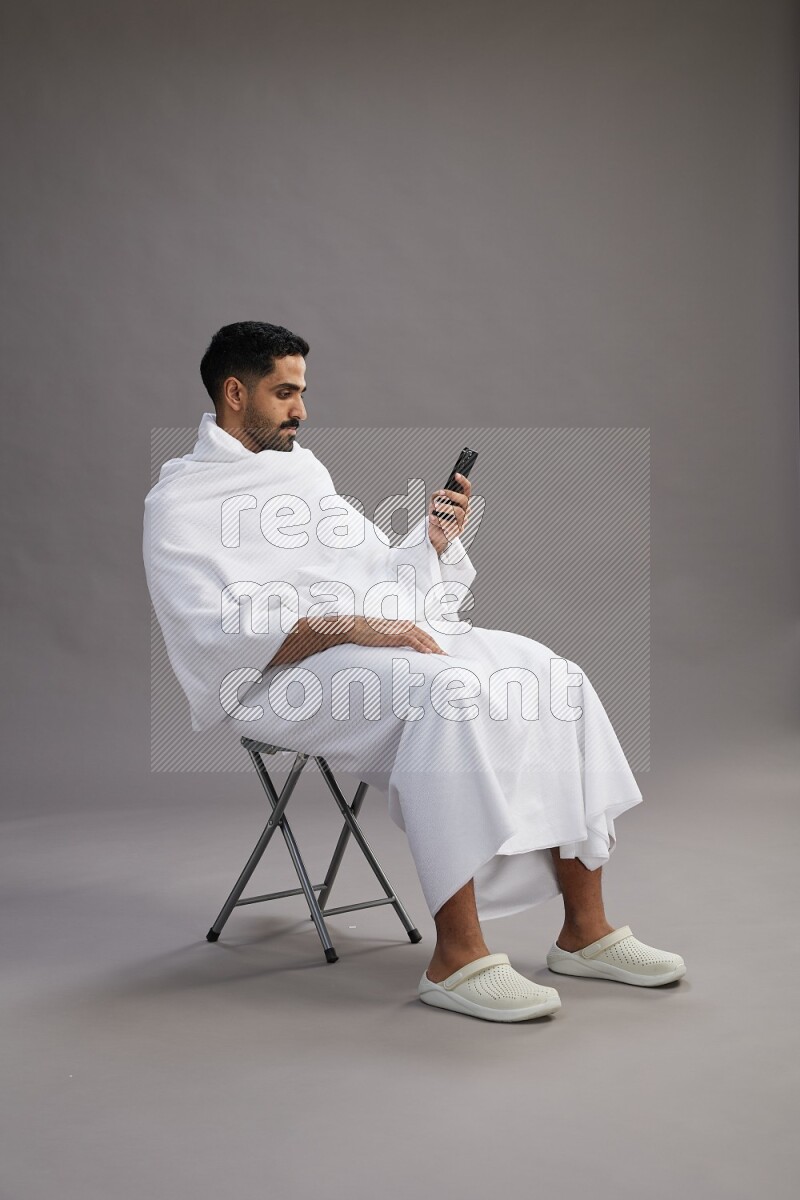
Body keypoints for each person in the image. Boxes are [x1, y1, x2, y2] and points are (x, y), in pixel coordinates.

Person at [143, 321, 686, 1024]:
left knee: (553, 675)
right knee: (449, 692)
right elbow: (210, 629)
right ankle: (456, 957)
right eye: (285, 394)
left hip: (361, 649)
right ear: (235, 391)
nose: (301, 411)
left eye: (302, 392)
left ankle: (585, 932)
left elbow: (367, 570)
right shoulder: (180, 502)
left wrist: (429, 542)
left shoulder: (300, 471)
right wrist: (350, 627)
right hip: (273, 677)